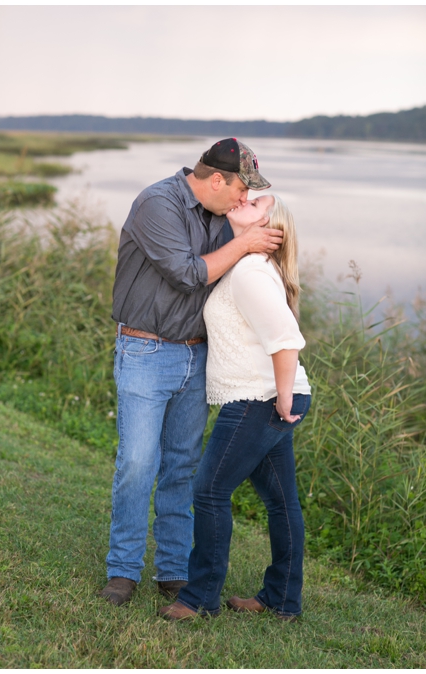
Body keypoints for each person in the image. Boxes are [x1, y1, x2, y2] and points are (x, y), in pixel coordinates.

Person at [101, 139, 283, 606]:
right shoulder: (156, 203)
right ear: (216, 179)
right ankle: (123, 571)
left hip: (197, 357)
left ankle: (173, 570)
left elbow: (260, 208)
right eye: (241, 188)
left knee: (182, 467)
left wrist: (248, 216)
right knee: (138, 464)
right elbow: (186, 273)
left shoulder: (223, 213)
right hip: (146, 350)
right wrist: (244, 242)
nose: (245, 199)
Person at [157, 194, 311, 622]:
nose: (247, 198)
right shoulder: (244, 267)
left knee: (209, 491)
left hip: (260, 399)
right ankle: (282, 599)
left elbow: (286, 340)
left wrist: (281, 398)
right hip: (263, 395)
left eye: (260, 201)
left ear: (270, 228)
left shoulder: (251, 273)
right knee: (281, 502)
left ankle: (199, 598)